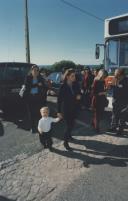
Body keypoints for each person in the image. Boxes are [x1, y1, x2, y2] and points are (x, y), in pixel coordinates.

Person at [57, 68, 81, 150]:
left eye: (74, 76)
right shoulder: (63, 86)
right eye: (72, 76)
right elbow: (59, 100)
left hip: (74, 108)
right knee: (69, 126)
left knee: (72, 124)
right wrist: (58, 111)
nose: (74, 77)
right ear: (67, 77)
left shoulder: (75, 84)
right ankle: (65, 142)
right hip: (66, 109)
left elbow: (79, 93)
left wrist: (79, 96)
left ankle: (69, 136)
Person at [23, 65, 48, 133]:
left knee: (39, 113)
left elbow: (44, 86)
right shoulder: (28, 77)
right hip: (30, 97)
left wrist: (46, 82)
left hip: (38, 97)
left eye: (37, 70)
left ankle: (40, 126)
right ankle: (33, 127)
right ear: (31, 71)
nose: (36, 71)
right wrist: (36, 84)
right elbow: (27, 87)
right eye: (34, 70)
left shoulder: (40, 77)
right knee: (31, 113)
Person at [109, 68, 128, 135]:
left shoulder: (126, 81)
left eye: (116, 73)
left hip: (123, 102)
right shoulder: (115, 79)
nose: (115, 74)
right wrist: (111, 85)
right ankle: (113, 127)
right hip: (115, 101)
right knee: (114, 115)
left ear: (121, 74)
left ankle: (120, 131)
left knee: (122, 117)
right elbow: (112, 88)